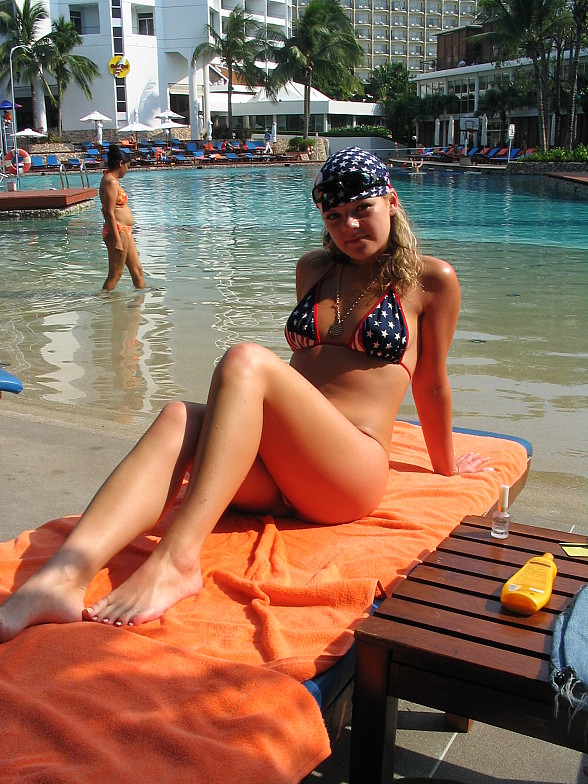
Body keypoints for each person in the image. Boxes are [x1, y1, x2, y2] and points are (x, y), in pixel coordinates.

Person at [0, 146, 489, 644]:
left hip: (346, 476)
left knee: (247, 360)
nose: (350, 226)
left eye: (363, 209)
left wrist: (447, 467)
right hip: (279, 471)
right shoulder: (315, 269)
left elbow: (431, 383)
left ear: (391, 202)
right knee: (179, 416)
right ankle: (61, 578)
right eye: (335, 215)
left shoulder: (430, 280)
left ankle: (177, 560)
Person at [99, 145, 145, 291]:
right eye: (127, 166)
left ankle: (141, 300)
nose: (127, 170)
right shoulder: (110, 182)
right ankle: (102, 301)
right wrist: (117, 240)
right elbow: (109, 212)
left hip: (124, 230)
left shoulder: (112, 180)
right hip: (118, 231)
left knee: (137, 270)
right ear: (120, 163)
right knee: (115, 274)